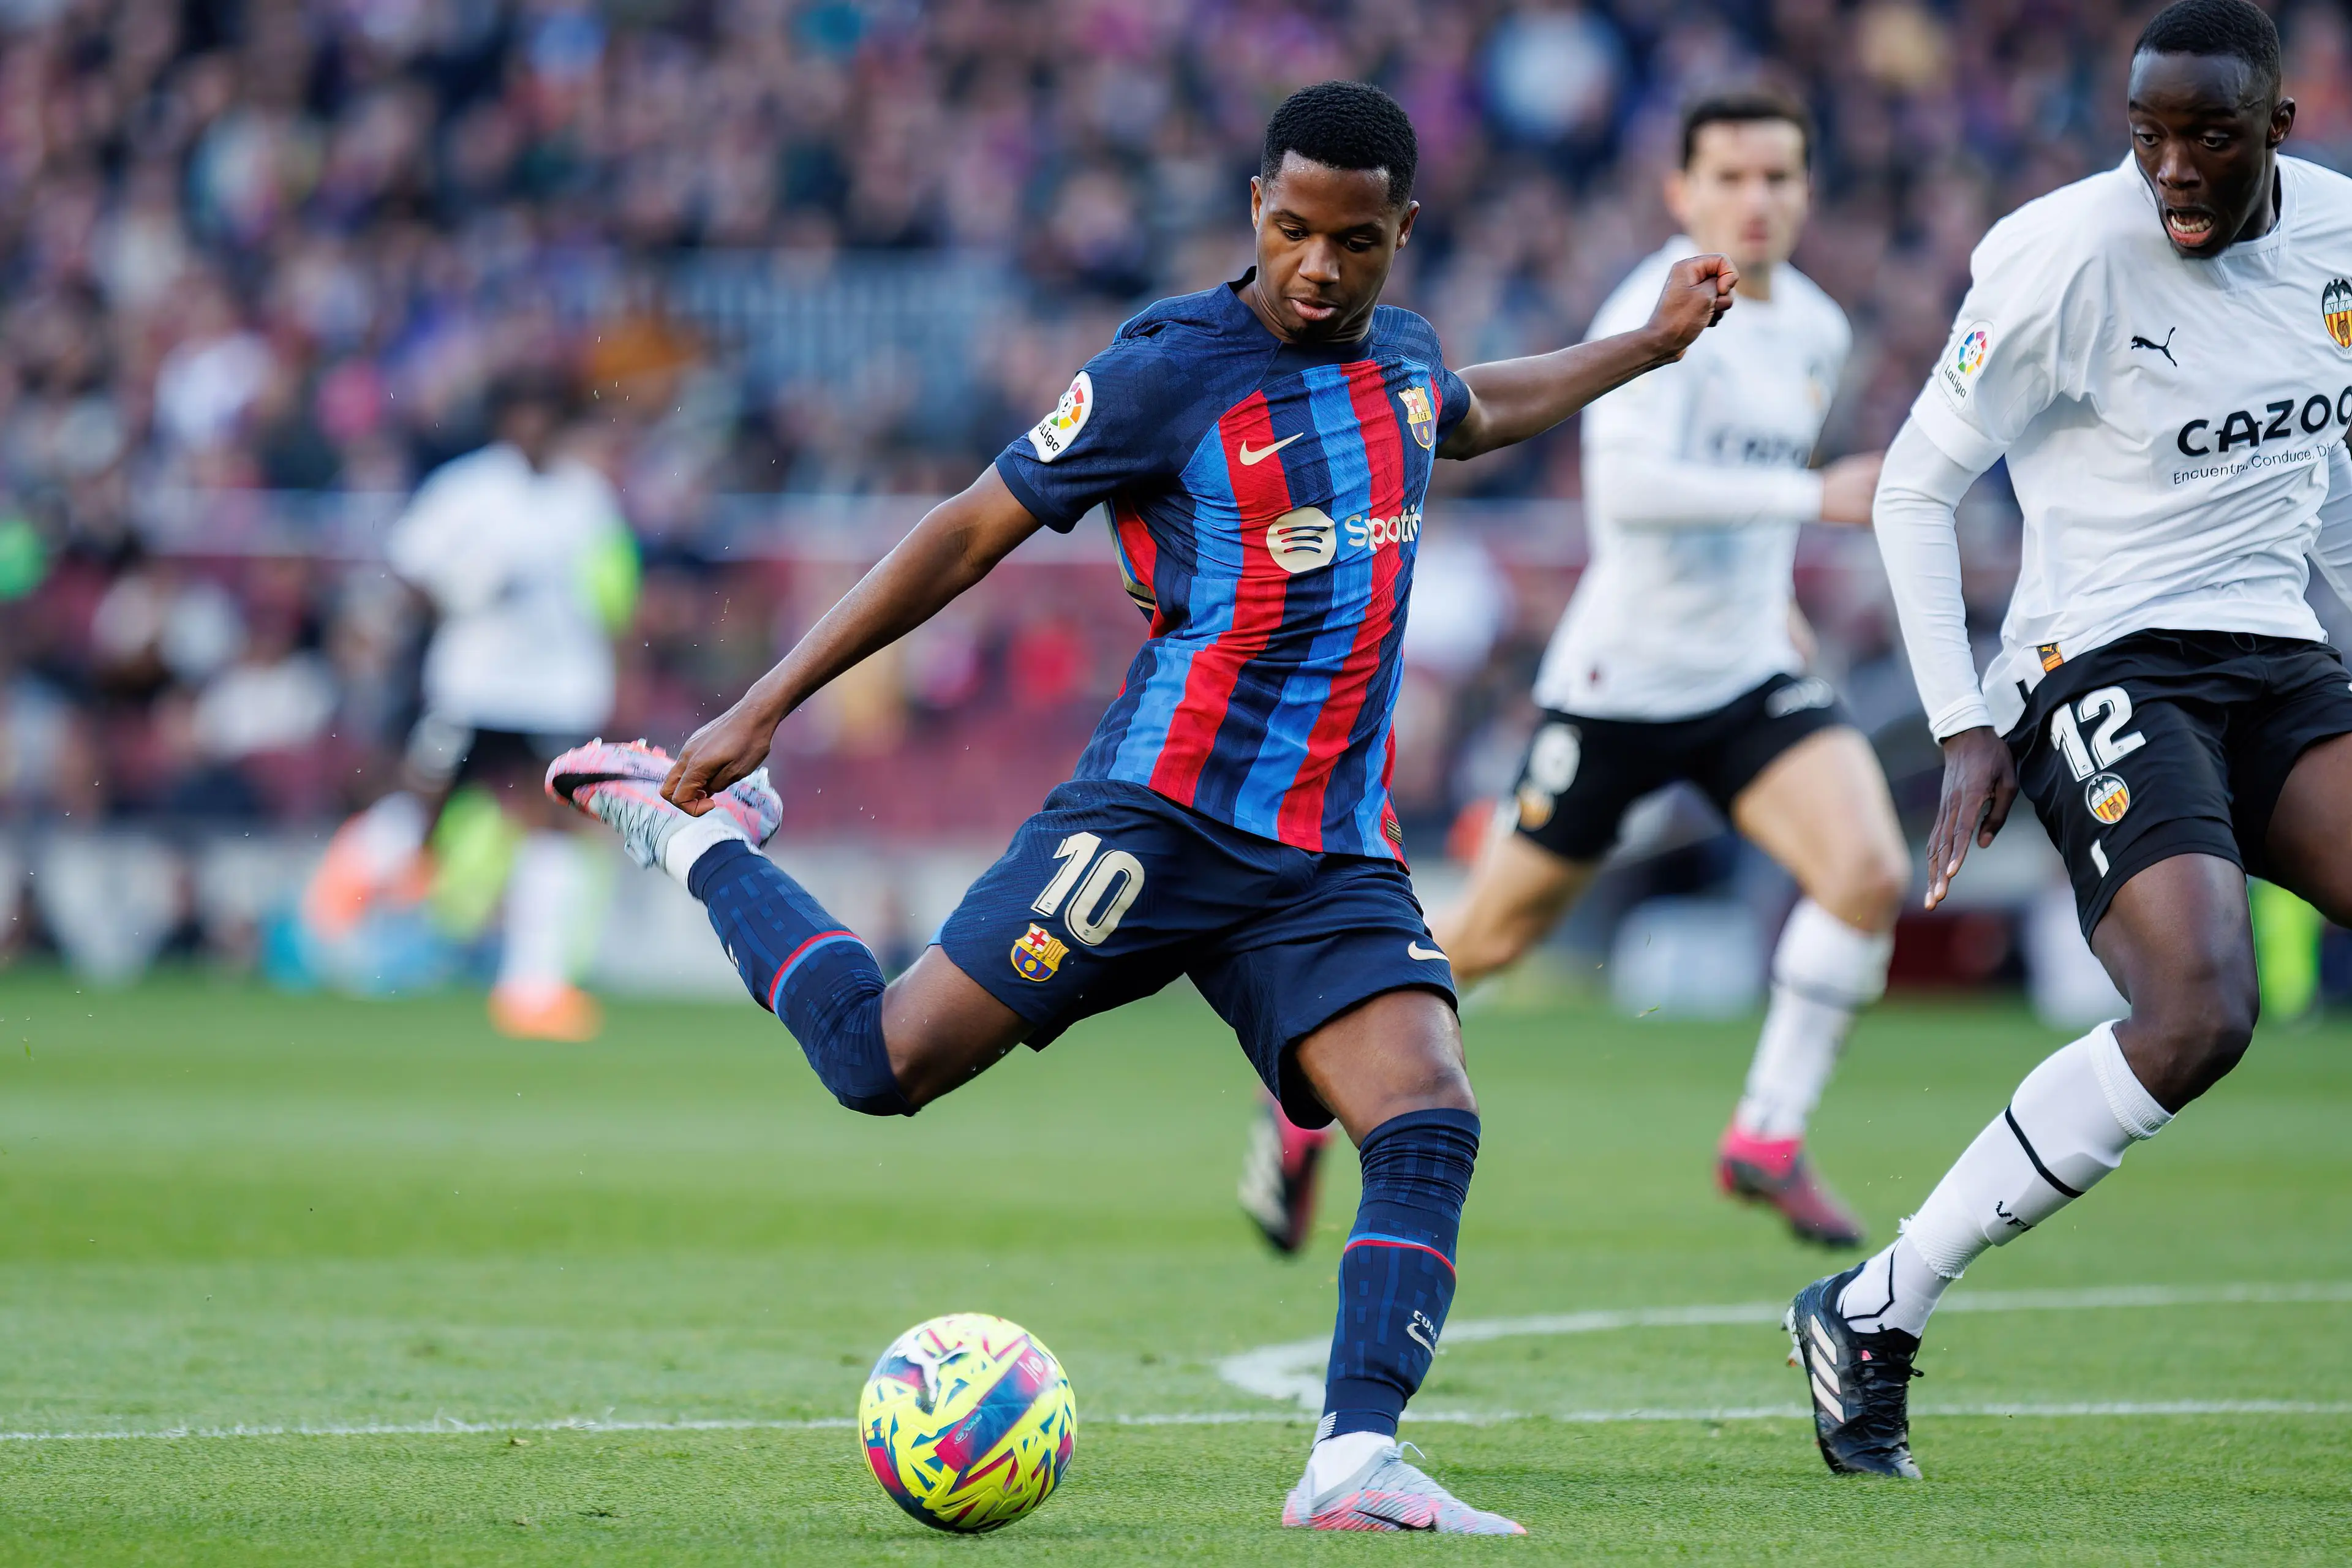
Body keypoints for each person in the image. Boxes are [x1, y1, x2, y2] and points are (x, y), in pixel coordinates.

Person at [547, 81, 1732, 1534]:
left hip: (1323, 853)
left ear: (1400, 234)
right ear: (1253, 208)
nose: (1315, 266)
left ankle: (1352, 1458)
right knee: (877, 1062)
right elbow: (965, 529)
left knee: (1425, 1111)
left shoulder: (1408, 364)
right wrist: (763, 702)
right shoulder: (1167, 368)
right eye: (1290, 229)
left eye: (1351, 243)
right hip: (1154, 817)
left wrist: (1651, 343)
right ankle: (691, 839)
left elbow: (1477, 408)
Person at [1787, 0, 2352, 1479]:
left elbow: (2328, 466)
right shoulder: (2060, 258)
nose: (2169, 168)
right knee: (2196, 1012)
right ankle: (1876, 1301)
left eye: (2207, 137)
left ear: (2277, 129)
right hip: (2096, 656)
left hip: (2275, 655)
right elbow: (1912, 489)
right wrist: (1962, 720)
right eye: (2145, 135)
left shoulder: (2341, 246)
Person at [1239, 89, 1901, 1258]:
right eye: (1732, 178)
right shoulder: (1648, 314)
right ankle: (1307, 1084)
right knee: (1491, 937)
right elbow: (1632, 497)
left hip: (1748, 675)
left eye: (1780, 178)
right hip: (1617, 688)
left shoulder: (1818, 330)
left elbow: (1739, 515)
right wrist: (1814, 497)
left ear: (1807, 192)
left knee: (1866, 871)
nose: (1756, 200)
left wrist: (1779, 609)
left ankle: (1767, 1136)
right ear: (1681, 193)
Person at [302, 369, 650, 1040]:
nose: (536, 428)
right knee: (426, 810)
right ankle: (331, 915)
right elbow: (408, 573)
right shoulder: (466, 490)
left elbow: (611, 592)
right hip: (475, 686)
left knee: (554, 828)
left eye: (547, 414)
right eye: (523, 413)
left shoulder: (587, 498)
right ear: (503, 420)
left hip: (559, 690)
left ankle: (534, 988)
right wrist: (457, 593)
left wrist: (619, 670)